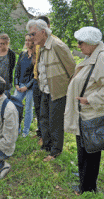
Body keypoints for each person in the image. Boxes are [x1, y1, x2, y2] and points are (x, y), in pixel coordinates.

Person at [64, 27, 104, 195]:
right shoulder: (93, 55)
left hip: (94, 113)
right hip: (86, 113)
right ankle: (84, 177)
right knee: (83, 148)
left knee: (91, 151)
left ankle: (88, 187)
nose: (78, 46)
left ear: (91, 43)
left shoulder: (103, 58)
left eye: (81, 42)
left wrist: (90, 100)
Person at [27, 19, 76, 161]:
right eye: (29, 34)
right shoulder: (40, 46)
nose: (31, 37)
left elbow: (72, 69)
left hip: (58, 91)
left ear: (43, 32)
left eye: (33, 34)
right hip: (44, 89)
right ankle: (46, 146)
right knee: (43, 118)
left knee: (55, 122)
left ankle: (55, 151)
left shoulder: (57, 45)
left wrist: (70, 90)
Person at [32, 15, 51, 141]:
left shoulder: (52, 42)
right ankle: (40, 132)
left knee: (46, 112)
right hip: (36, 79)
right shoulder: (38, 42)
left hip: (47, 82)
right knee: (38, 108)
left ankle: (46, 137)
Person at [13, 34, 35, 137]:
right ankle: (17, 128)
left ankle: (25, 131)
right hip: (20, 84)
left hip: (30, 86)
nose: (27, 42)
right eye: (26, 40)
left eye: (29, 40)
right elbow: (17, 70)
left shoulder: (37, 56)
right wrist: (16, 84)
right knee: (15, 106)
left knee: (28, 108)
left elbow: (36, 75)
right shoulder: (22, 54)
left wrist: (27, 86)